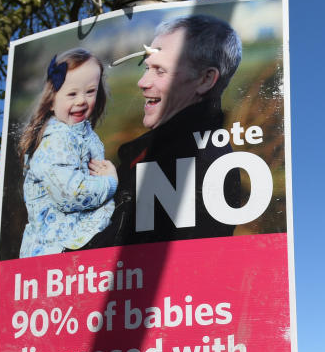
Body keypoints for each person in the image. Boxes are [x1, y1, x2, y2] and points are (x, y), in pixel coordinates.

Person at [82, 14, 243, 249]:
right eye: (147, 67)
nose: (142, 82)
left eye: (160, 71)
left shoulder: (195, 162)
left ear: (206, 79)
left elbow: (132, 261)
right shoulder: (165, 151)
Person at [17, 49, 117, 257]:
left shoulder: (84, 134)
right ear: (52, 101)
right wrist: (109, 183)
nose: (81, 100)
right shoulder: (56, 140)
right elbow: (70, 194)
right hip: (54, 249)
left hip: (74, 242)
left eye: (90, 91)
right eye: (72, 94)